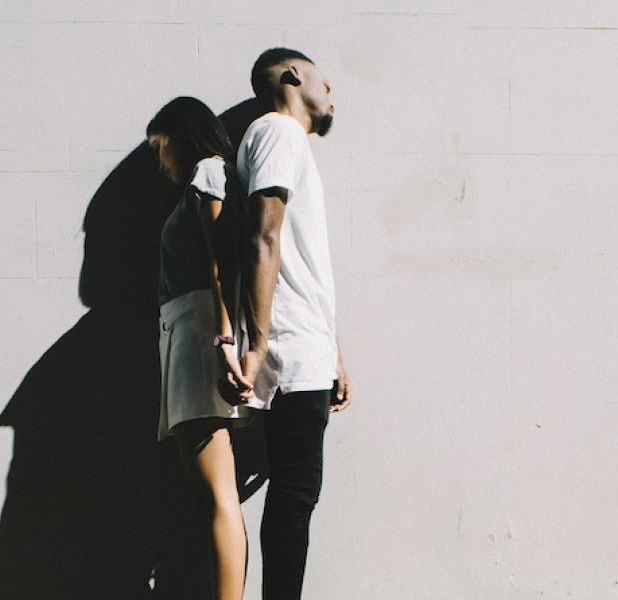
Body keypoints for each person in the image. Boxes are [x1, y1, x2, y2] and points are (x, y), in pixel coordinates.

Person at [234, 48, 353, 599]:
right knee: (295, 492)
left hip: (303, 344)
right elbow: (264, 236)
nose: (331, 95)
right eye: (325, 82)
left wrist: (333, 350)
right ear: (293, 75)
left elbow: (301, 260)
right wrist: (258, 345)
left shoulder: (285, 142)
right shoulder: (280, 133)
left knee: (292, 492)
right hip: (285, 345)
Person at [148, 96, 257, 600]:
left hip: (200, 339)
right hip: (189, 338)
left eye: (161, 147)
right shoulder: (201, 181)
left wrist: (224, 341)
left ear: (182, 135)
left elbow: (224, 263)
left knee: (218, 491)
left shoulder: (209, 173)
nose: (160, 161)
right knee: (212, 489)